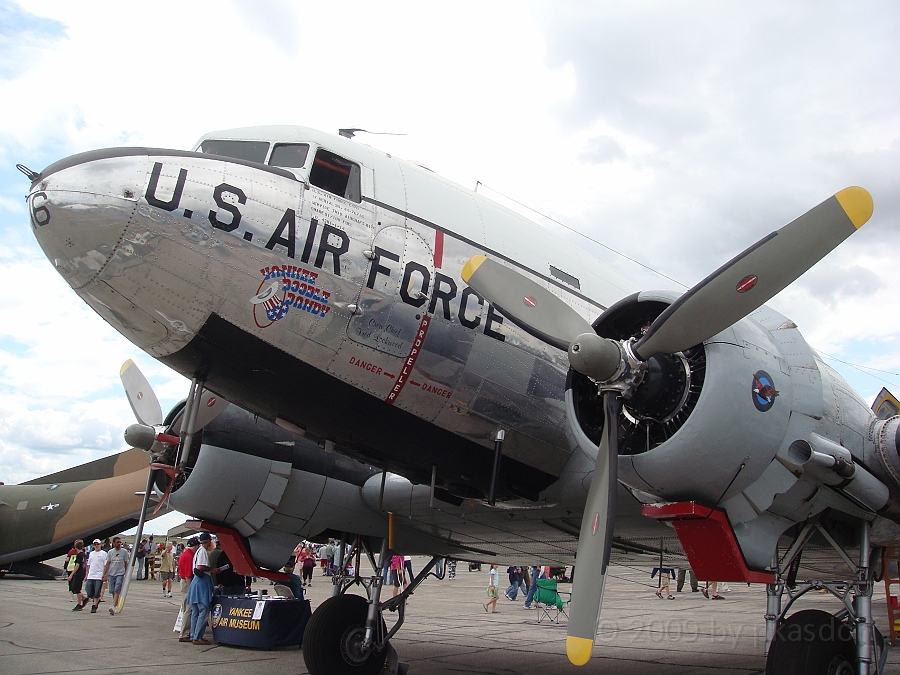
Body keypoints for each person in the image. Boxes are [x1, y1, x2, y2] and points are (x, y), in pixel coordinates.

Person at [187, 532, 225, 645]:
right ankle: (197, 636)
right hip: (201, 582)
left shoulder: (198, 551)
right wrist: (212, 569)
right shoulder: (203, 551)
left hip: (196, 582)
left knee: (195, 611)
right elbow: (200, 567)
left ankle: (194, 634)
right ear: (208, 541)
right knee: (203, 610)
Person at [177, 537, 199, 643]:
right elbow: (188, 575)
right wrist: (192, 590)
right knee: (188, 609)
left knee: (186, 607)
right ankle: (184, 633)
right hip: (187, 583)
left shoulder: (184, 554)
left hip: (183, 582)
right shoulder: (190, 556)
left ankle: (185, 632)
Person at [83, 539, 109, 614]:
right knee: (89, 590)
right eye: (95, 544)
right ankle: (93, 599)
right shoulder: (91, 553)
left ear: (100, 545)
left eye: (98, 544)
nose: (96, 546)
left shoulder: (104, 554)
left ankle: (94, 605)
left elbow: (106, 565)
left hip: (99, 575)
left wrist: (105, 574)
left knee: (97, 591)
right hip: (91, 574)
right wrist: (87, 574)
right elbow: (88, 565)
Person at [106, 537, 129, 614]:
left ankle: (114, 606)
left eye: (120, 542)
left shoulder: (124, 552)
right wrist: (104, 573)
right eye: (117, 542)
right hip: (111, 573)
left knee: (117, 589)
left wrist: (127, 573)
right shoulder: (110, 552)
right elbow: (108, 563)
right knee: (113, 591)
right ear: (113, 543)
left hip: (120, 573)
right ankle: (116, 604)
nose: (119, 544)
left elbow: (126, 563)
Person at [67, 540, 87, 611]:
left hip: (79, 573)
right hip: (82, 573)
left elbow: (77, 565)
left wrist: (71, 575)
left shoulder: (79, 555)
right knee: (76, 588)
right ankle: (84, 598)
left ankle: (79, 604)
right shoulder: (84, 554)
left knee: (77, 589)